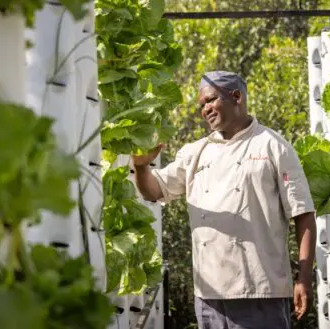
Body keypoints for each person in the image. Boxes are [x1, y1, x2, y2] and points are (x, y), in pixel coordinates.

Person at [132, 71, 317, 329]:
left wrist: (304, 280)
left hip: (260, 291)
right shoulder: (196, 152)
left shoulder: (273, 146)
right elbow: (154, 191)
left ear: (237, 97)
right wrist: (141, 168)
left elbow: (303, 214)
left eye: (210, 100)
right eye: (201, 105)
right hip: (209, 295)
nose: (205, 109)